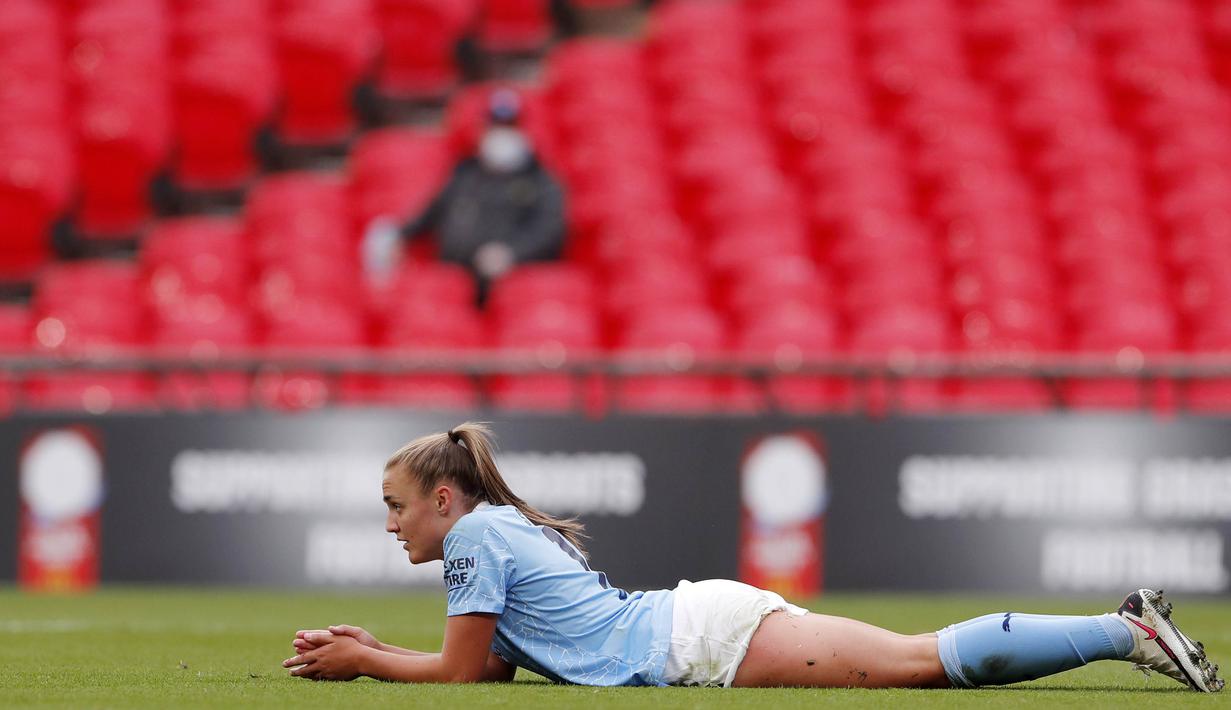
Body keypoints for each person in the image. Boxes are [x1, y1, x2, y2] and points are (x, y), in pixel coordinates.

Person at [283, 423, 1224, 692]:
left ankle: (1119, 628)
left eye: (396, 508)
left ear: (442, 500)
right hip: (695, 625)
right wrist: (374, 649)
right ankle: (1119, 626)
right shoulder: (491, 531)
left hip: (700, 640)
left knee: (917, 663)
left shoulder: (475, 535)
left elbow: (453, 673)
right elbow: (488, 668)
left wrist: (369, 660)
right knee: (914, 660)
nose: (392, 525)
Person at [393, 89, 565, 305]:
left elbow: (548, 229)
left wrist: (511, 253)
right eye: (495, 126)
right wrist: (399, 234)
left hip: (509, 285)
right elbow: (433, 211)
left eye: (508, 127)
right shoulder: (466, 172)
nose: (500, 134)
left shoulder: (540, 180)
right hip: (457, 280)